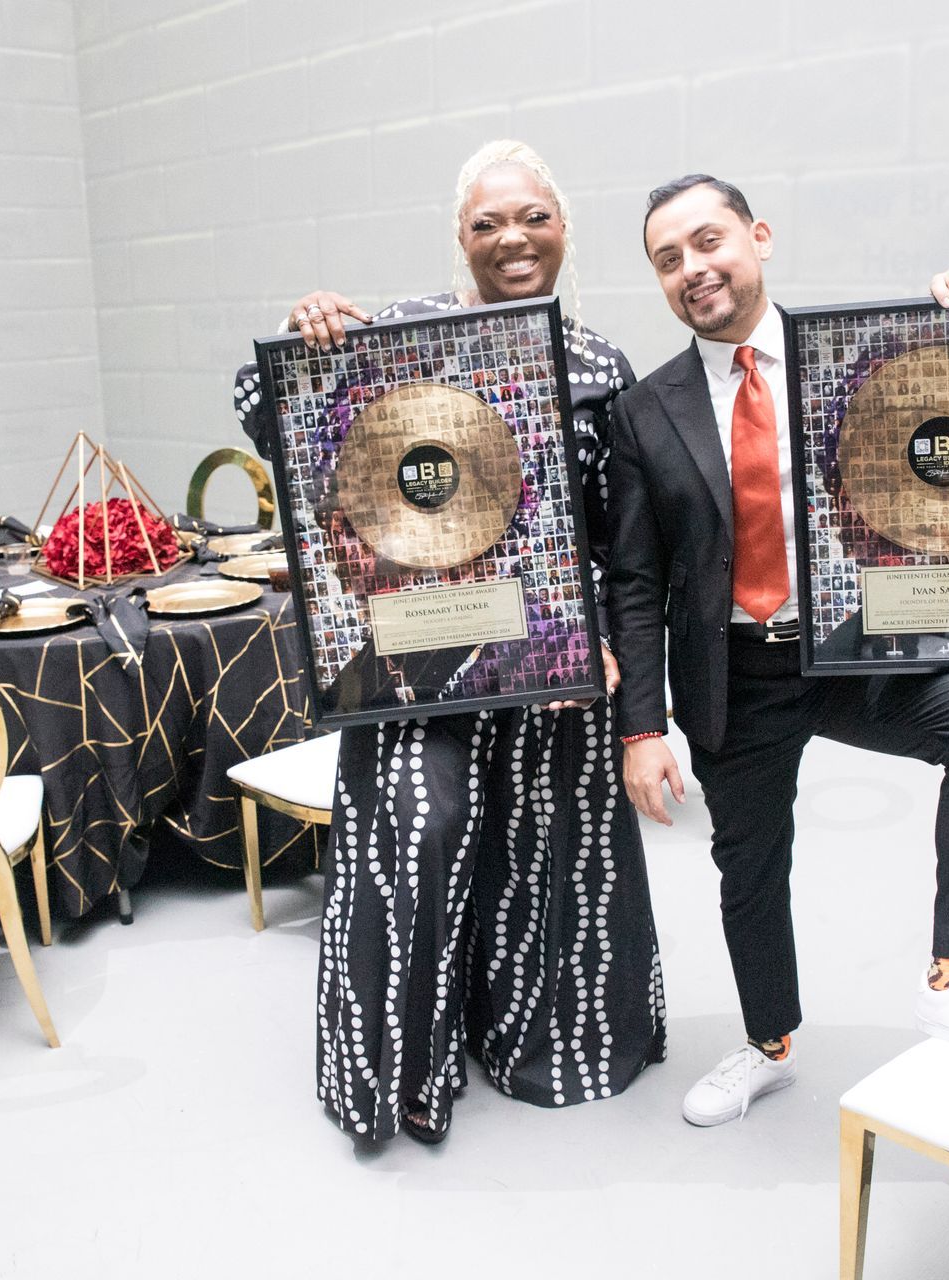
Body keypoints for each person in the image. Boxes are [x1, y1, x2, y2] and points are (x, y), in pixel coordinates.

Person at [605, 173, 949, 1129]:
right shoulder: (646, 411)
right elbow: (636, 582)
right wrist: (641, 726)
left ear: (759, 237)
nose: (693, 268)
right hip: (736, 675)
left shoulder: (859, 359)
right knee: (750, 867)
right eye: (668, 258)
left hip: (854, 651)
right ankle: (767, 1044)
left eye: (709, 240)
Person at [234, 140, 665, 1144]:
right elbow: (280, 416)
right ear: (460, 239)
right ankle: (402, 1065)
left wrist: (601, 639)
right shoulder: (399, 336)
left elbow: (624, 539)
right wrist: (307, 337)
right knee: (420, 826)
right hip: (415, 659)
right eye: (488, 222)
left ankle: (540, 1039)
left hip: (548, 660)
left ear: (564, 230)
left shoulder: (600, 364)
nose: (513, 237)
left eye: (534, 217)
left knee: (549, 844)